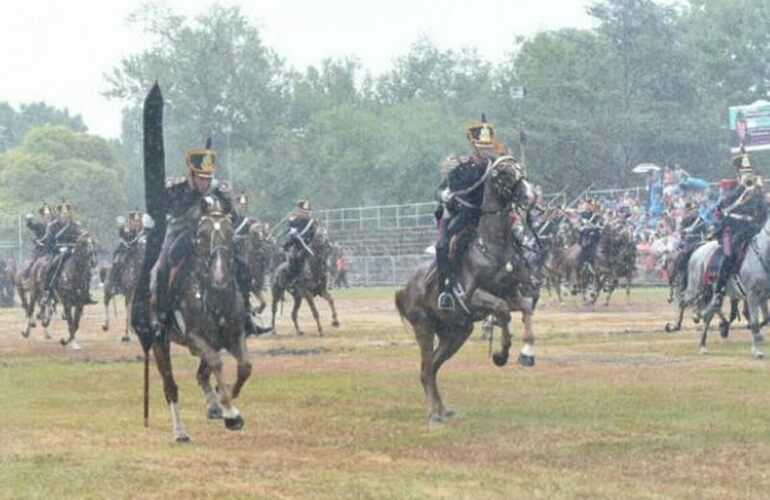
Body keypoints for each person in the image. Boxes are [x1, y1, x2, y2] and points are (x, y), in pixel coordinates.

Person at [149, 143, 270, 335]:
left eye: (208, 178)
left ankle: (247, 314)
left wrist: (235, 223)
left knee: (242, 267)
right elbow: (159, 209)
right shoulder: (175, 189)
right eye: (201, 178)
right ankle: (163, 319)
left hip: (211, 237)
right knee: (164, 268)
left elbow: (233, 214)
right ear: (191, 174)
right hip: (180, 234)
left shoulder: (218, 190)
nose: (205, 183)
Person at [434, 114, 508, 311]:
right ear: (473, 146)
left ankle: (526, 279)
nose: (486, 150)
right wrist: (446, 197)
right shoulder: (461, 166)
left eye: (488, 146)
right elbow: (439, 191)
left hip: (493, 219)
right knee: (443, 246)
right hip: (466, 217)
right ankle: (446, 290)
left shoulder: (498, 167)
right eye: (481, 146)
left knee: (520, 240)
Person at [704, 151, 768, 314]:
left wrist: (757, 223)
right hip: (732, 230)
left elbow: (762, 211)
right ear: (737, 172)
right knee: (729, 254)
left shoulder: (757, 189)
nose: (747, 174)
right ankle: (719, 292)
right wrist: (741, 188)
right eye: (743, 171)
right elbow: (723, 206)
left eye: (749, 171)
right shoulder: (730, 188)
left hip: (753, 230)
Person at [40, 201, 97, 305]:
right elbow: (49, 243)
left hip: (72, 253)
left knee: (87, 268)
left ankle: (87, 293)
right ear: (59, 214)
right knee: (52, 268)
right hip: (59, 253)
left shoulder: (74, 225)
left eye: (67, 213)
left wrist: (85, 236)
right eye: (63, 213)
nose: (65, 215)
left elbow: (80, 236)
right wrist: (58, 249)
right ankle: (47, 292)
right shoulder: (53, 227)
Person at [283, 199, 316, 291]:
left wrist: (308, 240)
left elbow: (313, 233)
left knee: (319, 256)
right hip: (296, 244)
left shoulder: (311, 222)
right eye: (303, 212)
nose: (305, 214)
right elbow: (289, 231)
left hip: (308, 244)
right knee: (294, 257)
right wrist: (293, 233)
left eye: (307, 212)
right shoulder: (293, 220)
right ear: (298, 211)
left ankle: (320, 277)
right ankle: (293, 279)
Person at [672, 201, 706, 291]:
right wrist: (685, 231)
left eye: (696, 211)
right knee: (682, 259)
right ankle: (681, 276)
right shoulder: (685, 221)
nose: (695, 213)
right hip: (689, 243)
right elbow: (682, 233)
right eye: (693, 211)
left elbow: (706, 232)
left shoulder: (702, 221)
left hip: (700, 242)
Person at [110, 210, 144, 286]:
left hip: (137, 250)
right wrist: (126, 244)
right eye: (134, 220)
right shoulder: (125, 227)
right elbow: (122, 238)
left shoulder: (142, 229)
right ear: (131, 220)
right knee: (117, 261)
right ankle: (114, 282)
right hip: (124, 249)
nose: (136, 222)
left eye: (138, 220)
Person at [22, 203, 54, 279]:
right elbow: (31, 226)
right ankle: (26, 279)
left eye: (49, 216)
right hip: (39, 250)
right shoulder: (39, 226)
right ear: (43, 217)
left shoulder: (54, 226)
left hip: (51, 250)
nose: (48, 218)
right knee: (30, 264)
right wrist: (29, 219)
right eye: (46, 217)